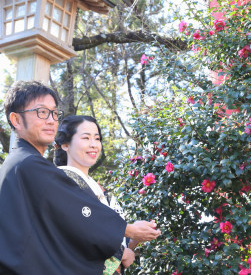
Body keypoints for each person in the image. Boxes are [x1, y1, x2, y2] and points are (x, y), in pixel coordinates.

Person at [0, 80, 161, 274]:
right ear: (16, 120)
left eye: (54, 113)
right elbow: (76, 220)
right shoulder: (29, 165)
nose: (51, 120)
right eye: (41, 112)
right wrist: (128, 234)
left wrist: (130, 239)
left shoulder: (24, 164)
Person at [54, 115, 137, 275]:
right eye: (85, 138)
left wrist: (135, 239)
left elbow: (115, 240)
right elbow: (72, 235)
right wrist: (121, 253)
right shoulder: (60, 181)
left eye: (97, 138)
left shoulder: (97, 188)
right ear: (65, 144)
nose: (93, 145)